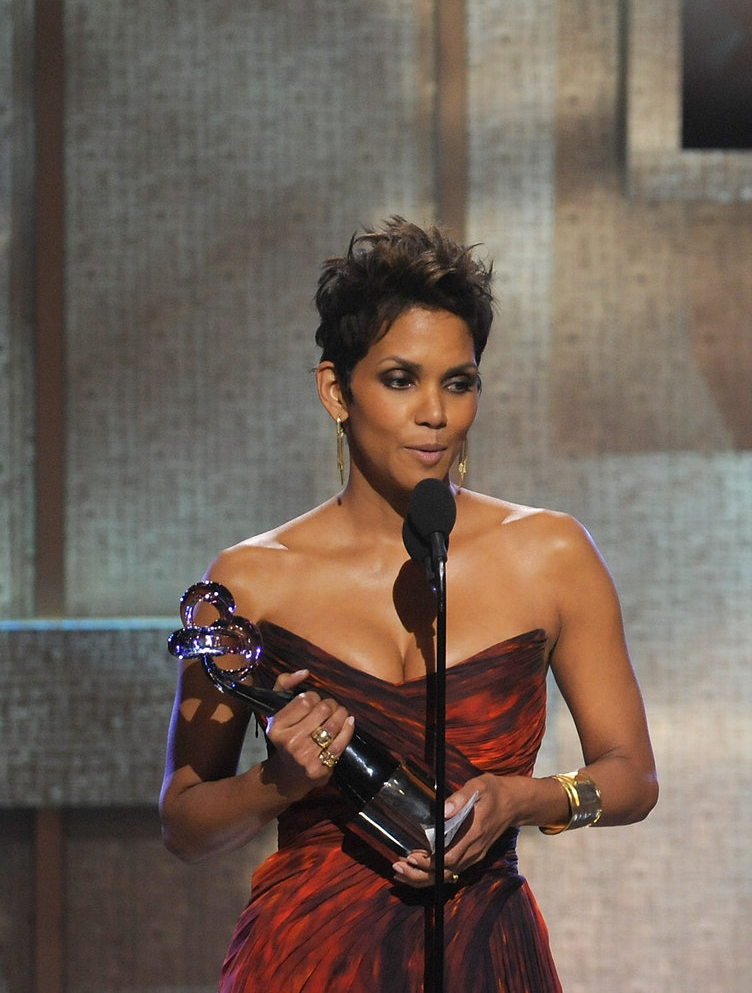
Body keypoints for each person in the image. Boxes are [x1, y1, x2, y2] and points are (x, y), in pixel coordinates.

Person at [159, 218, 658, 991]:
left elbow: (632, 778)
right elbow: (185, 824)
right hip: (306, 960)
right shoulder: (254, 578)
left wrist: (522, 798)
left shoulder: (552, 554)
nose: (436, 413)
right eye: (401, 378)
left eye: (458, 382)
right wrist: (280, 784)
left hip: (486, 959)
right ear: (336, 389)